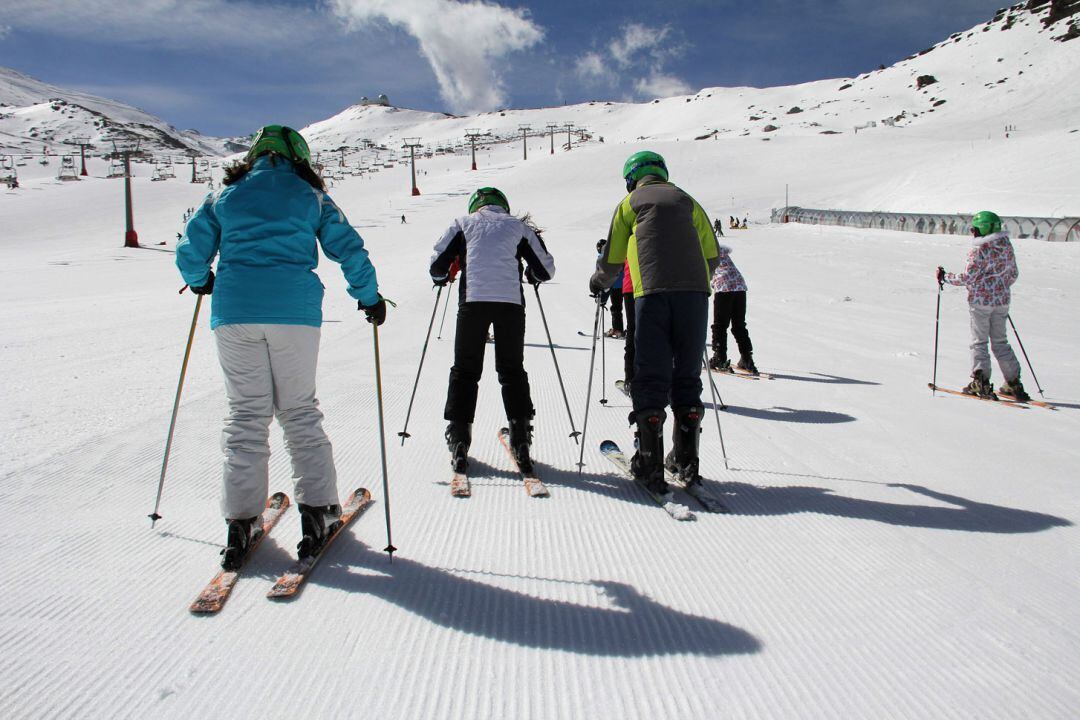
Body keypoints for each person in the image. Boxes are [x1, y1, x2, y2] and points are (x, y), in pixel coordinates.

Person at [176, 125, 385, 571]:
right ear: (298, 157)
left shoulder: (224, 195)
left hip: (234, 312)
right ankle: (320, 513)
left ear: (255, 155)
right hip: (294, 312)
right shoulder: (311, 197)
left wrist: (201, 281)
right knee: (298, 411)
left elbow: (191, 251)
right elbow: (348, 249)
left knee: (246, 415)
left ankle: (241, 523)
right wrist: (368, 297)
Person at [590, 151, 720, 493]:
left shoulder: (629, 204)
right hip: (695, 296)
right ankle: (686, 461)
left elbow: (613, 257)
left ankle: (649, 461)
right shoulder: (688, 200)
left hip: (651, 295)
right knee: (687, 374)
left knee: (650, 374)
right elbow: (712, 253)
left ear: (632, 177)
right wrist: (695, 283)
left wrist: (598, 282)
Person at [430, 187, 556, 473]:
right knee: (512, 370)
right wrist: (530, 274)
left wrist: (443, 276)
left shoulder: (462, 223)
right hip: (510, 305)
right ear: (504, 205)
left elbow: (437, 266)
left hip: (473, 303)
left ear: (476, 205)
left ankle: (460, 439)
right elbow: (545, 270)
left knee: (465, 370)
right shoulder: (519, 227)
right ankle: (521, 438)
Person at [941, 210, 1028, 401]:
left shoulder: (979, 250)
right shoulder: (1006, 246)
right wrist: (1000, 287)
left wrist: (946, 277)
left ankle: (980, 379)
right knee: (1000, 341)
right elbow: (1013, 274)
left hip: (980, 301)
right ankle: (1013, 382)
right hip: (1002, 300)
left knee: (979, 341)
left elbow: (968, 277)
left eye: (975, 229)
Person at [708, 245, 757, 374]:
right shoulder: (724, 254)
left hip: (724, 286)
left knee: (720, 325)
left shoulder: (706, 251)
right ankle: (747, 358)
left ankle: (719, 357)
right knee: (739, 325)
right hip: (740, 286)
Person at [596, 239, 625, 338]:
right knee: (622, 307)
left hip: (613, 284)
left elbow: (600, 274)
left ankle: (617, 330)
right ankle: (626, 329)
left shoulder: (602, 257)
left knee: (616, 307)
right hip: (624, 283)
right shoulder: (616, 254)